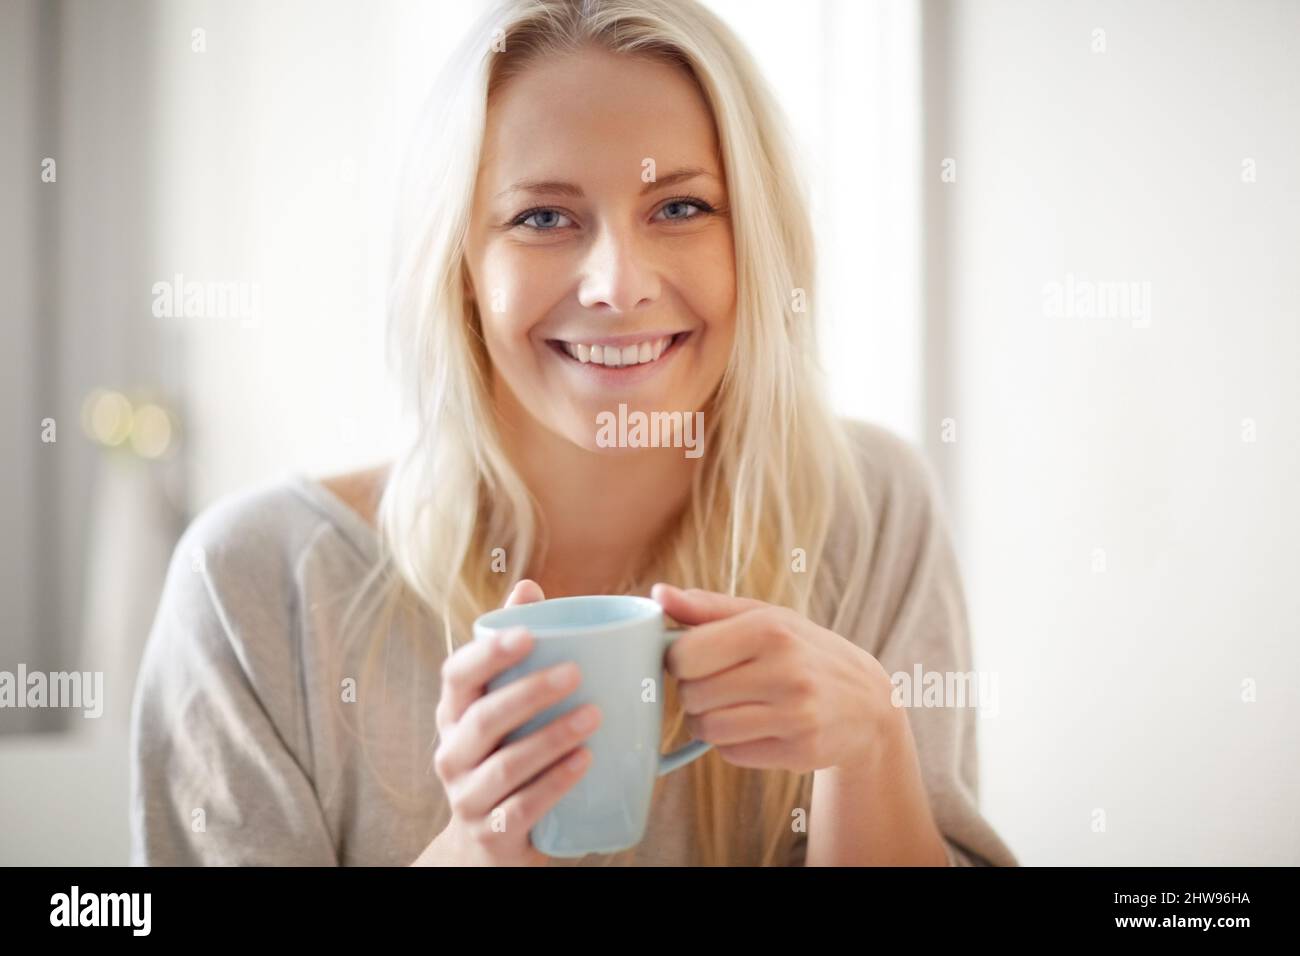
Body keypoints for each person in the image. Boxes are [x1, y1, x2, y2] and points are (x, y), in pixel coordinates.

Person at [128, 0, 1017, 867]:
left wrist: (869, 755)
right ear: (461, 270)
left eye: (680, 208)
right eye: (543, 217)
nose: (617, 285)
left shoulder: (872, 509)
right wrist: (477, 849)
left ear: (757, 243)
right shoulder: (250, 590)